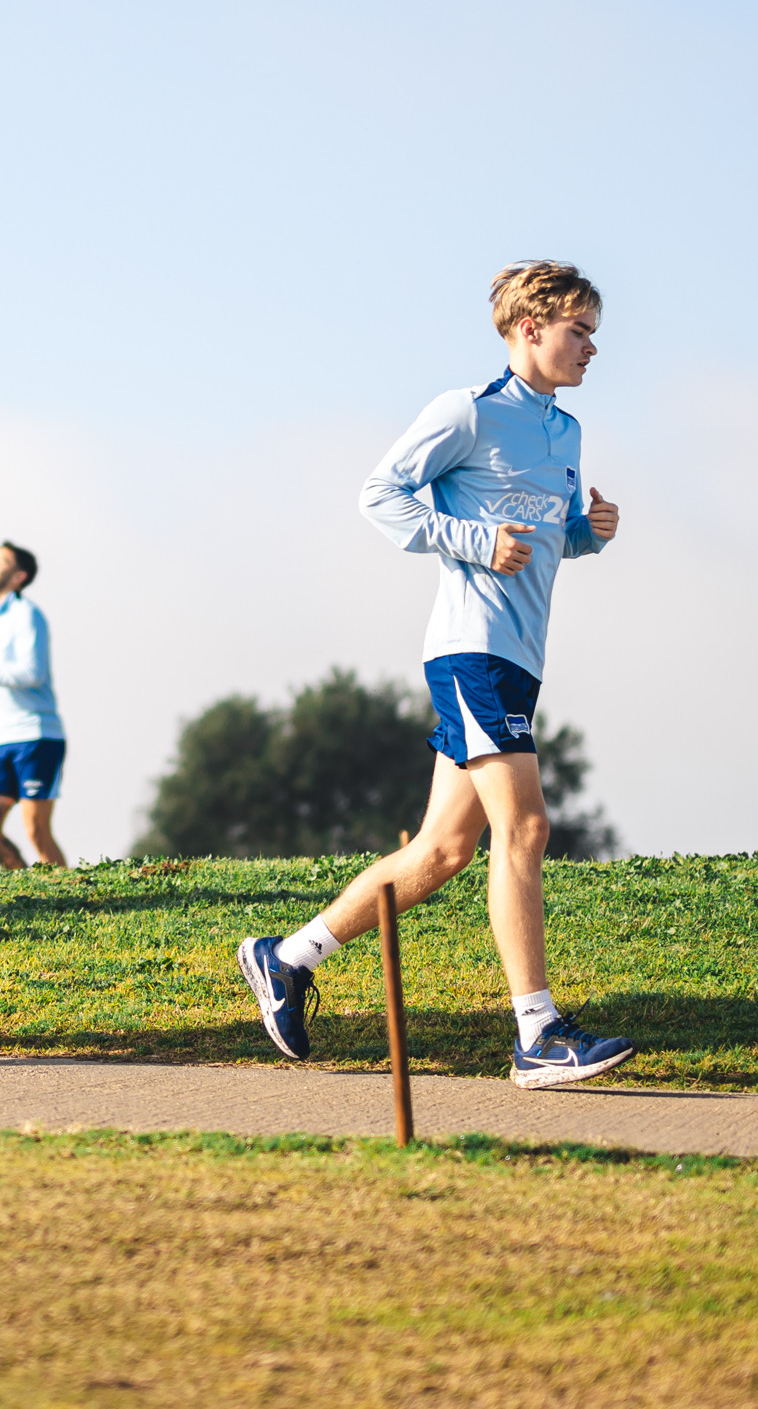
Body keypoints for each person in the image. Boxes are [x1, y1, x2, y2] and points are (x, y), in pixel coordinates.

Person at [234, 263, 629, 1086]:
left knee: (446, 849)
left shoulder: (565, 430)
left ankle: (288, 956)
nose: (592, 346)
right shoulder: (468, 411)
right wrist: (476, 541)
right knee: (525, 830)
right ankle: (538, 1033)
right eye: (579, 330)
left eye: (593, 331)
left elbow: (547, 535)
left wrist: (587, 531)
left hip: (520, 658)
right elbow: (380, 495)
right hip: (470, 648)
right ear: (530, 328)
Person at [0, 541, 65, 871]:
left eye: (1, 561)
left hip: (37, 737)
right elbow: (8, 680)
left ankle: (74, 901)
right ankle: (31, 894)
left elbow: (32, 674)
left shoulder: (27, 614)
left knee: (36, 832)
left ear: (18, 577)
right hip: (1, 739)